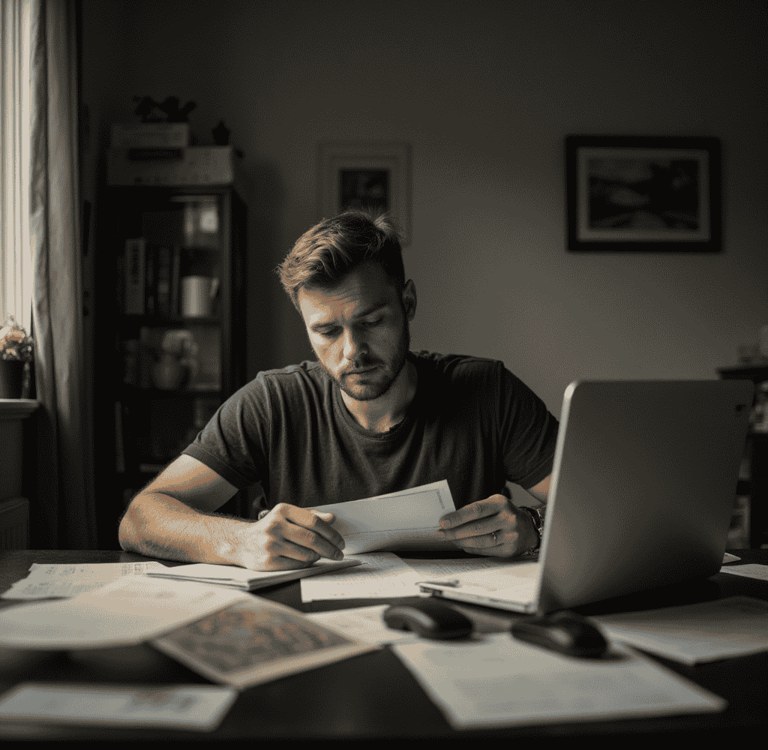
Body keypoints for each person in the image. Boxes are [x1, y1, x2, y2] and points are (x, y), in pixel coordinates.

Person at [118, 209, 558, 570]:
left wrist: (534, 526)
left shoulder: (489, 392)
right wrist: (239, 541)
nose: (353, 352)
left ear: (407, 304)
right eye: (327, 331)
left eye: (371, 322)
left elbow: (607, 512)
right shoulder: (273, 403)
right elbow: (140, 519)